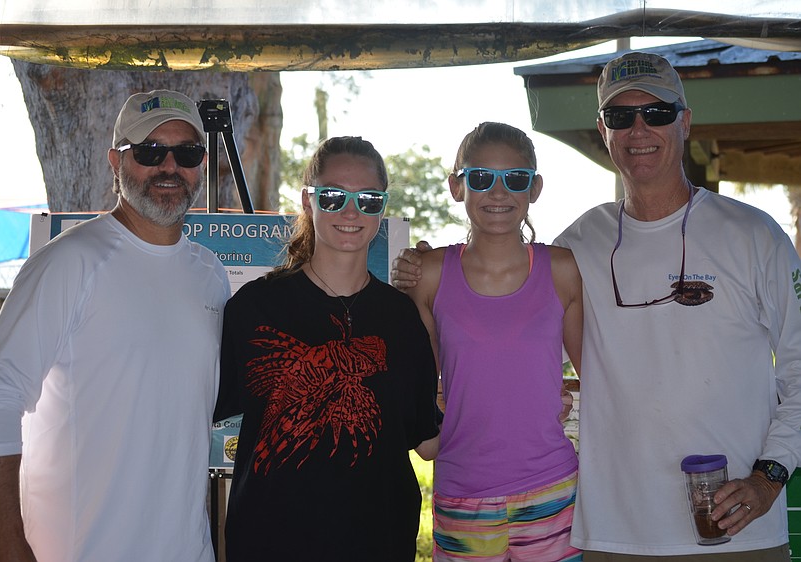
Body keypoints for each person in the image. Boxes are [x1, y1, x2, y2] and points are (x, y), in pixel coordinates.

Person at [394, 52, 801, 561]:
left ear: (686, 121)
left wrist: (770, 477)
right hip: (613, 532)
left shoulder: (753, 234)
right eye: (620, 116)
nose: (638, 129)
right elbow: (496, 279)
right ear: (604, 130)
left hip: (734, 528)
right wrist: (422, 264)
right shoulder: (579, 244)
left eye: (657, 113)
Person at [0, 89, 231, 562]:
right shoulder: (70, 261)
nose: (169, 167)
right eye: (150, 151)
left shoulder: (210, 273)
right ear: (116, 161)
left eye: (186, 153)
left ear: (202, 163)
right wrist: (6, 537)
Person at [212, 136, 440, 561]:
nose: (351, 211)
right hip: (269, 543)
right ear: (308, 200)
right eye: (333, 197)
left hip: (379, 542)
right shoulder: (254, 308)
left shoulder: (402, 317)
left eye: (368, 199)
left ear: (382, 208)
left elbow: (428, 439)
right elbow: (197, 409)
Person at [403, 122, 583, 561]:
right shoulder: (427, 274)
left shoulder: (561, 269)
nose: (498, 193)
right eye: (481, 177)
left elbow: (597, 376)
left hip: (554, 490)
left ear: (534, 188)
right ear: (456, 186)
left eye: (515, 179)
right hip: (463, 492)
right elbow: (418, 388)